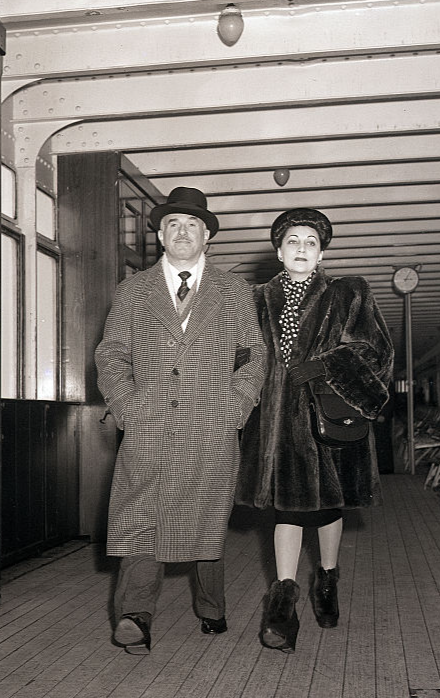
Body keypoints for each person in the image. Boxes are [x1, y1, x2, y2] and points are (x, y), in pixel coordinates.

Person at [95, 186, 266, 655]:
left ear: (207, 235)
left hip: (211, 425)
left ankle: (212, 606)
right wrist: (128, 407)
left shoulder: (233, 291)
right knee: (139, 518)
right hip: (148, 426)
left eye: (193, 225)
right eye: (174, 224)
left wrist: (235, 407)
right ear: (162, 235)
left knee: (207, 522)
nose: (183, 232)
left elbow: (255, 357)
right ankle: (134, 616)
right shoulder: (133, 291)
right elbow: (111, 355)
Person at [236, 207, 393, 653]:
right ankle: (283, 603)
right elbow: (241, 355)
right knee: (286, 509)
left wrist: (324, 366)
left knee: (327, 507)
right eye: (292, 241)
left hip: (329, 417)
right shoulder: (256, 299)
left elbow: (377, 350)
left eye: (310, 242)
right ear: (278, 250)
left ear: (321, 252)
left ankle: (326, 579)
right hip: (278, 422)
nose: (301, 248)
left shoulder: (349, 292)